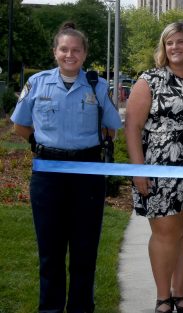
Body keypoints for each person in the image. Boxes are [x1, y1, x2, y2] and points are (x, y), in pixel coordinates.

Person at [10, 22, 122, 312]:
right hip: (48, 174)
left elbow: (111, 128)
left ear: (84, 54)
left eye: (76, 50)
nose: (69, 55)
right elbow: (19, 125)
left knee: (85, 251)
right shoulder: (37, 83)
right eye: (64, 49)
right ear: (55, 52)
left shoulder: (98, 85)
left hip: (87, 174)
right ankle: (50, 308)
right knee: (50, 252)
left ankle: (81, 308)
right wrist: (40, 144)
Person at [125, 22, 183, 313]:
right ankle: (163, 298)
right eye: (169, 43)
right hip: (159, 167)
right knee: (166, 232)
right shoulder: (150, 79)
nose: (175, 48)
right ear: (163, 48)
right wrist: (138, 170)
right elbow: (133, 127)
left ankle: (180, 293)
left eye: (180, 42)